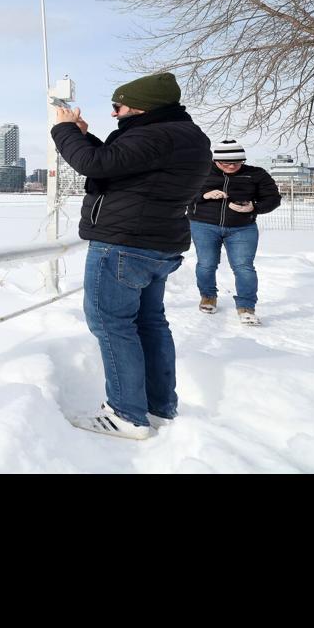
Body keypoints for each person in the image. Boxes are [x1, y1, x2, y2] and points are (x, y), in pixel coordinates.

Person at [51, 72, 212, 440]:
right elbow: (117, 165)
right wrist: (82, 135)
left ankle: (126, 414)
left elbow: (96, 166)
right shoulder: (183, 135)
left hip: (124, 244)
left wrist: (63, 131)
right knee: (149, 324)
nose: (114, 114)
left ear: (144, 106)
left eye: (117, 106)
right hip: (156, 244)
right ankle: (158, 407)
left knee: (110, 323)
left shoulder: (155, 134)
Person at [188, 139, 281, 326]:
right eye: (226, 163)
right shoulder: (199, 171)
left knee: (243, 267)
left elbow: (273, 199)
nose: (232, 166)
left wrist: (253, 207)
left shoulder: (256, 174)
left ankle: (246, 307)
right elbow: (181, 194)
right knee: (206, 264)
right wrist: (203, 196)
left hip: (242, 228)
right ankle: (208, 296)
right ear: (216, 161)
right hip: (204, 225)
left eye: (237, 162)